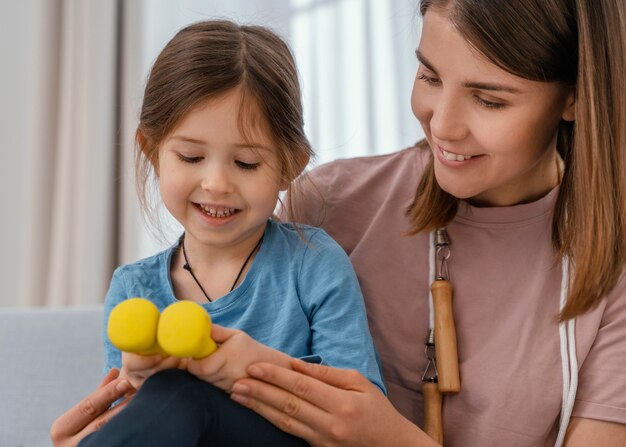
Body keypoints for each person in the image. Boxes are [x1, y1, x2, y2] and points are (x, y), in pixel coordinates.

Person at [52, 0, 626, 446]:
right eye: (429, 77)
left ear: (573, 97)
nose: (443, 125)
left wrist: (381, 435)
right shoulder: (327, 204)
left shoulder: (610, 273)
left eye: (490, 100)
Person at [61, 19, 384, 447]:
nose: (216, 183)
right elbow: (127, 427)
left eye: (246, 163)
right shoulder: (133, 289)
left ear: (290, 164)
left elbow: (361, 415)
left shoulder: (311, 263)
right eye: (191, 157)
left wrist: (251, 369)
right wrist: (136, 387)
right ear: (152, 152)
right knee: (165, 393)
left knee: (178, 392)